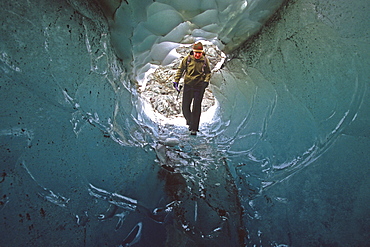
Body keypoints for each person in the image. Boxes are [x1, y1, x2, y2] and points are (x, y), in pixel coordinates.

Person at [173, 42, 211, 136]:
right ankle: (190, 121)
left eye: (199, 53)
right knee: (185, 107)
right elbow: (180, 70)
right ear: (193, 51)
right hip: (188, 85)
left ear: (202, 52)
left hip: (199, 86)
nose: (197, 54)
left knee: (196, 107)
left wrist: (206, 81)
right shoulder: (187, 59)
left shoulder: (205, 61)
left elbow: (208, 73)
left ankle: (194, 128)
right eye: (196, 52)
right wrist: (176, 80)